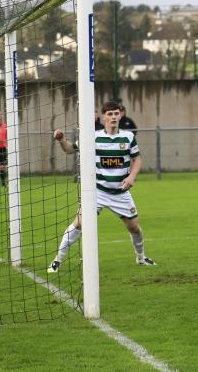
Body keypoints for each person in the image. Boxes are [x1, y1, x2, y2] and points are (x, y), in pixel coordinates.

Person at [47, 101, 155, 273]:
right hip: (98, 192)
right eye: (110, 114)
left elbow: (138, 160)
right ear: (103, 117)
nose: (113, 117)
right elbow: (68, 149)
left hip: (121, 192)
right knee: (79, 223)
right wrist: (61, 139)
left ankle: (141, 258)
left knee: (134, 227)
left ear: (120, 115)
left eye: (116, 113)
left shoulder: (128, 137)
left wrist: (131, 176)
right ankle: (57, 260)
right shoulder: (93, 137)